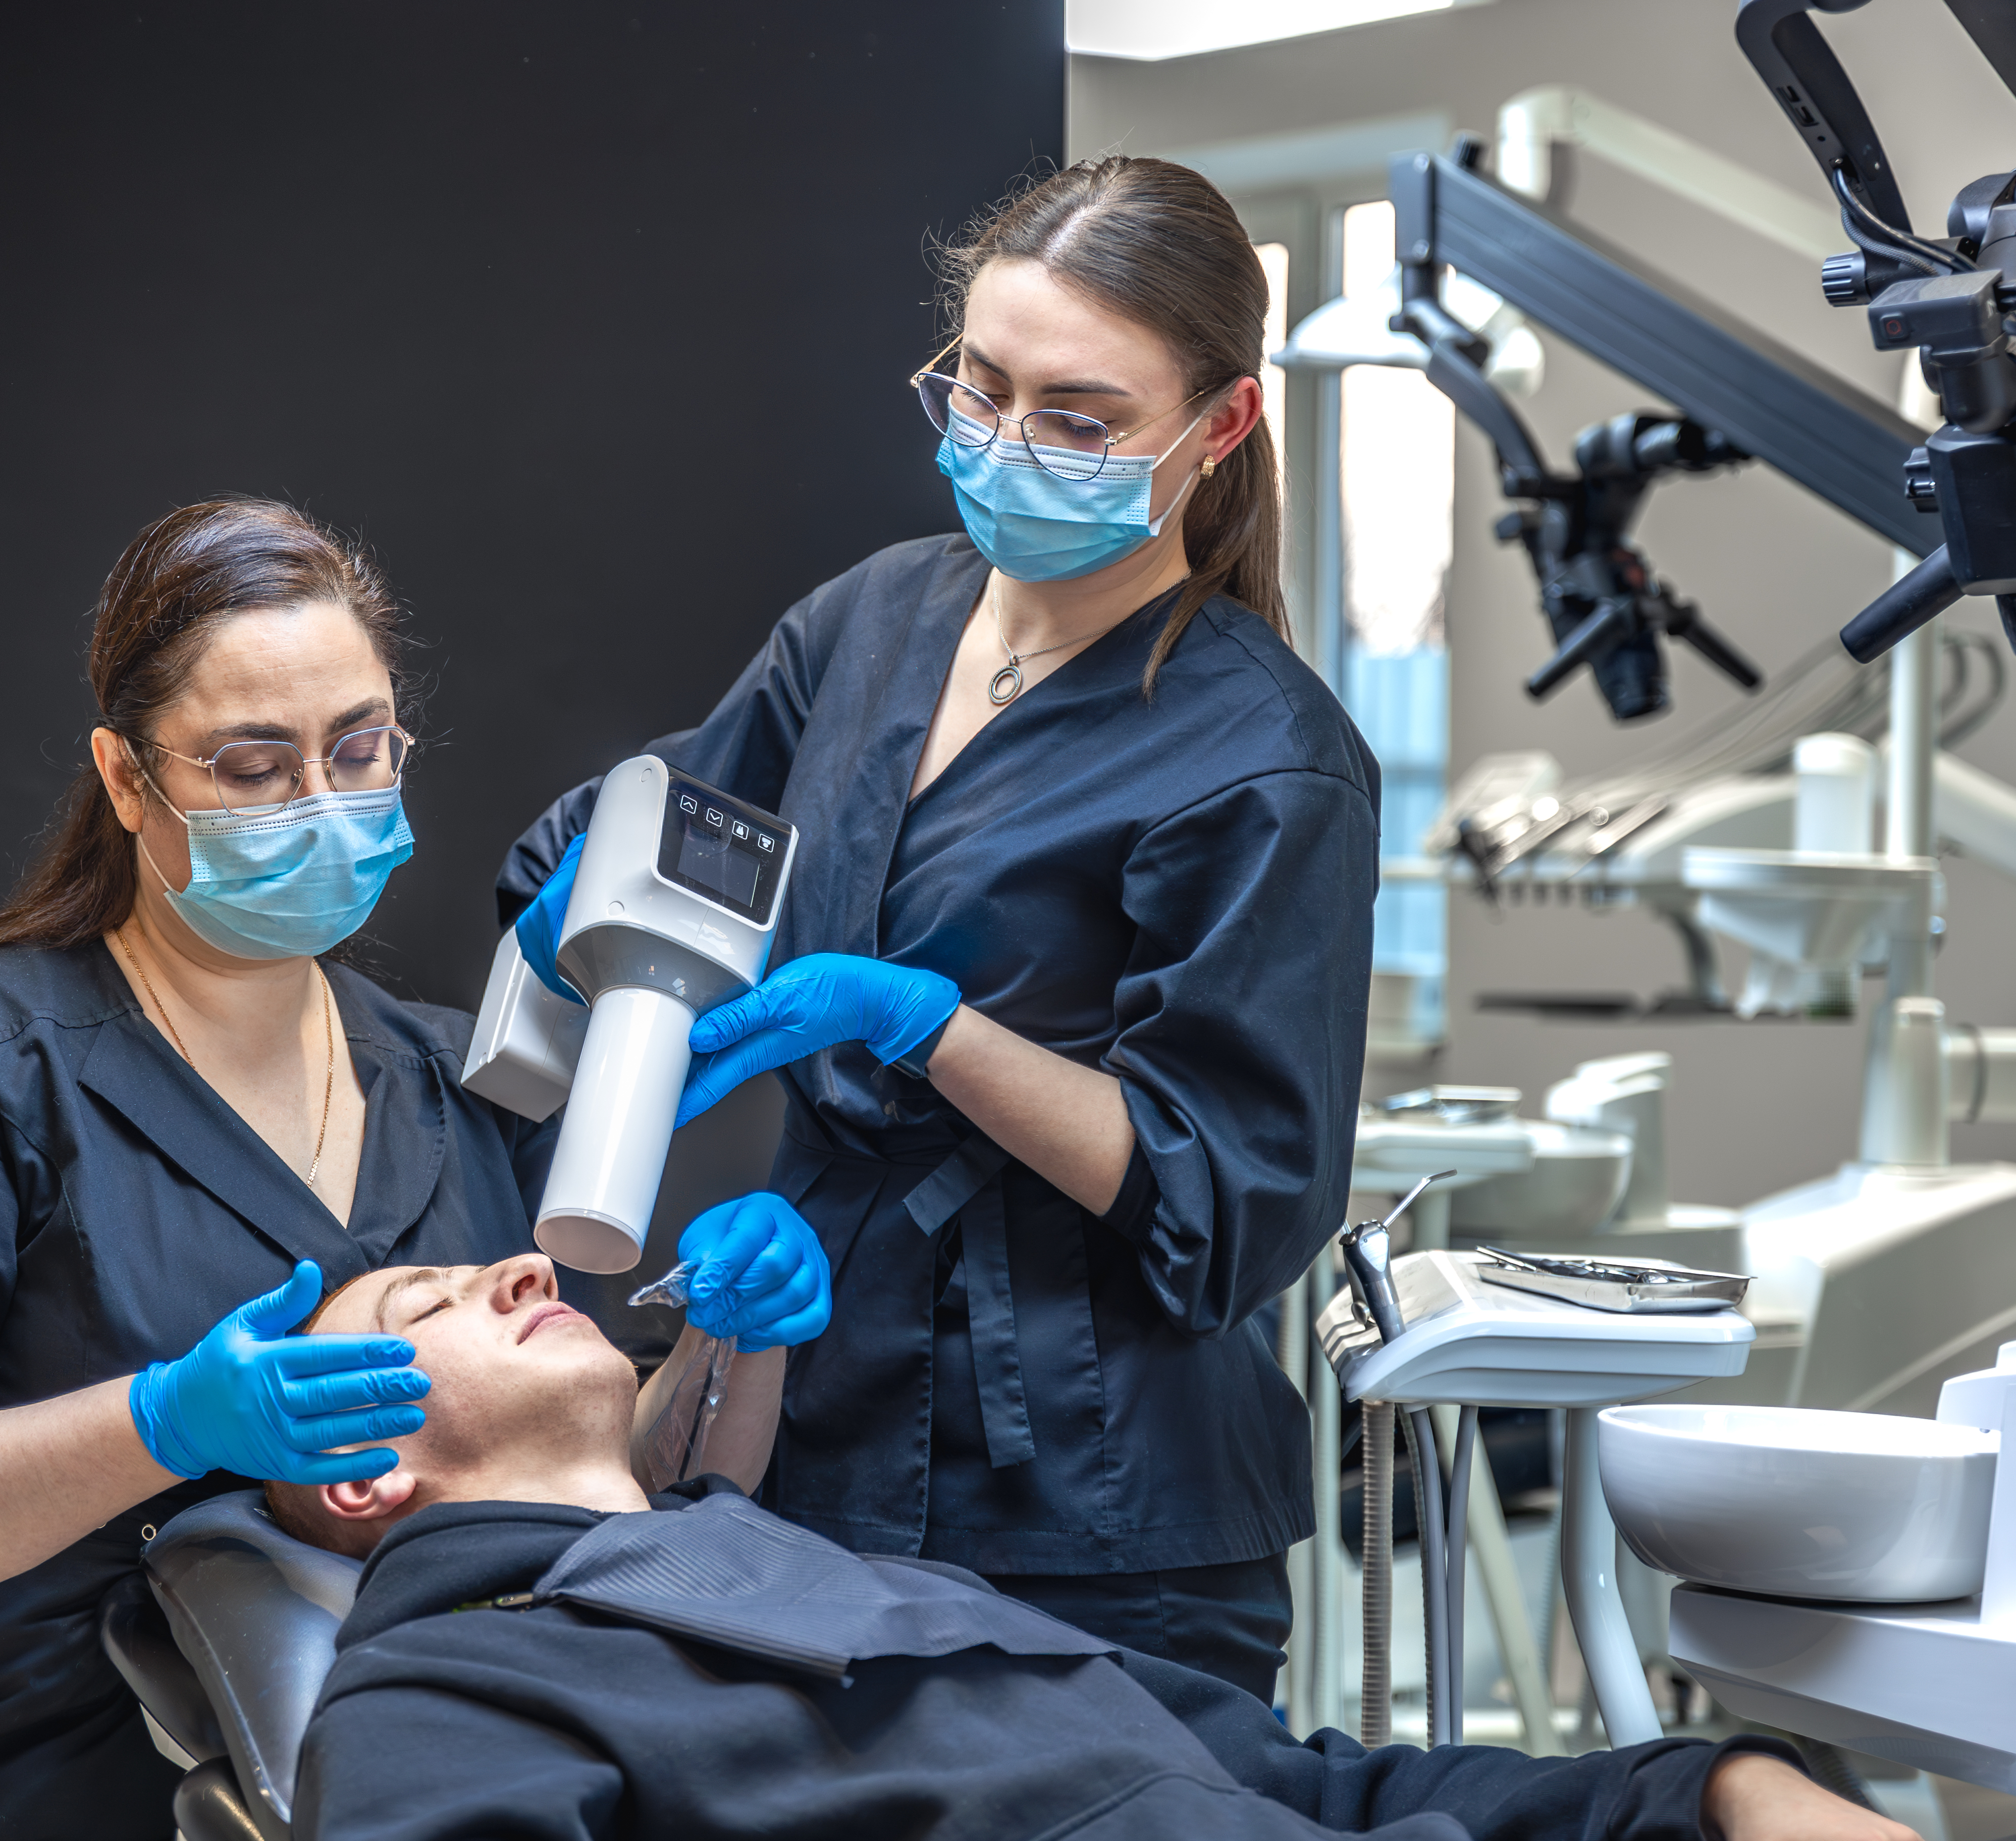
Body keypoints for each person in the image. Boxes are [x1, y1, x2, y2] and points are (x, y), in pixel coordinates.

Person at [0, 499, 829, 1841]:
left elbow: (597, 1477)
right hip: (18, 1796)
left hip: (419, 1784)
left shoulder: (456, 1083)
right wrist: (160, 1426)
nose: (323, 805)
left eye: (360, 750)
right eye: (255, 769)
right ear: (126, 777)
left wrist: (736, 1348)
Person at [501, 155, 1371, 1702]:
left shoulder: (1264, 758)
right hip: (813, 1420)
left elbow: (1225, 1204)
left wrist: (928, 1025)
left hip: (1101, 1509)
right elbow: (670, 837)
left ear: (1219, 426)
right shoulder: (873, 620)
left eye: (1080, 418)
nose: (1011, 442)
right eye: (980, 387)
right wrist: (586, 872)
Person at [278, 1256, 1914, 1841]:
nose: (504, 1265)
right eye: (424, 1307)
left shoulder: (859, 1587)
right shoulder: (450, 1679)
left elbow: (1305, 1787)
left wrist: (1704, 1793)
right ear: (359, 1480)